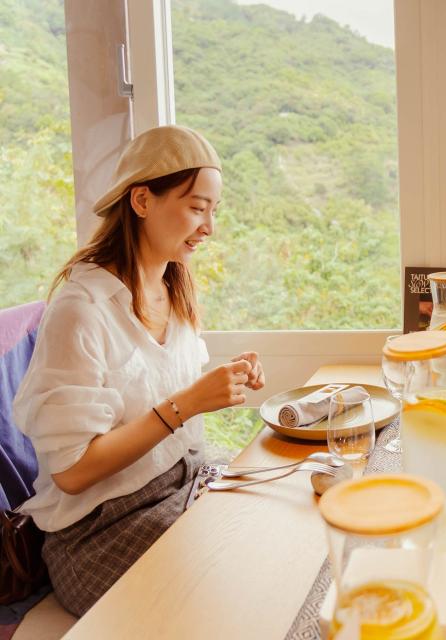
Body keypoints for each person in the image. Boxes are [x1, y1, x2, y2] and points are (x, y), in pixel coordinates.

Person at [12, 125, 266, 616]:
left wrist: (221, 383)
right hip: (100, 530)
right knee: (232, 585)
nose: (209, 227)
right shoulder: (80, 311)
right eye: (196, 207)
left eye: (215, 210)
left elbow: (166, 393)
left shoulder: (175, 287)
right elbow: (72, 472)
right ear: (143, 201)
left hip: (182, 482)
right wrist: (187, 404)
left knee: (283, 517)